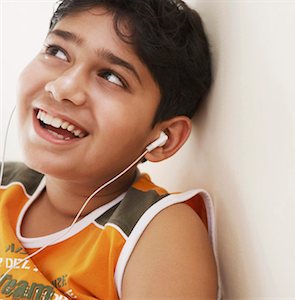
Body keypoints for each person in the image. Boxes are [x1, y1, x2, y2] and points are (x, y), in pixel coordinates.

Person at [0, 0, 219, 298]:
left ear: (165, 137)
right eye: (58, 52)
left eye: (111, 77)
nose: (63, 88)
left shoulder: (153, 231)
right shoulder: (5, 186)